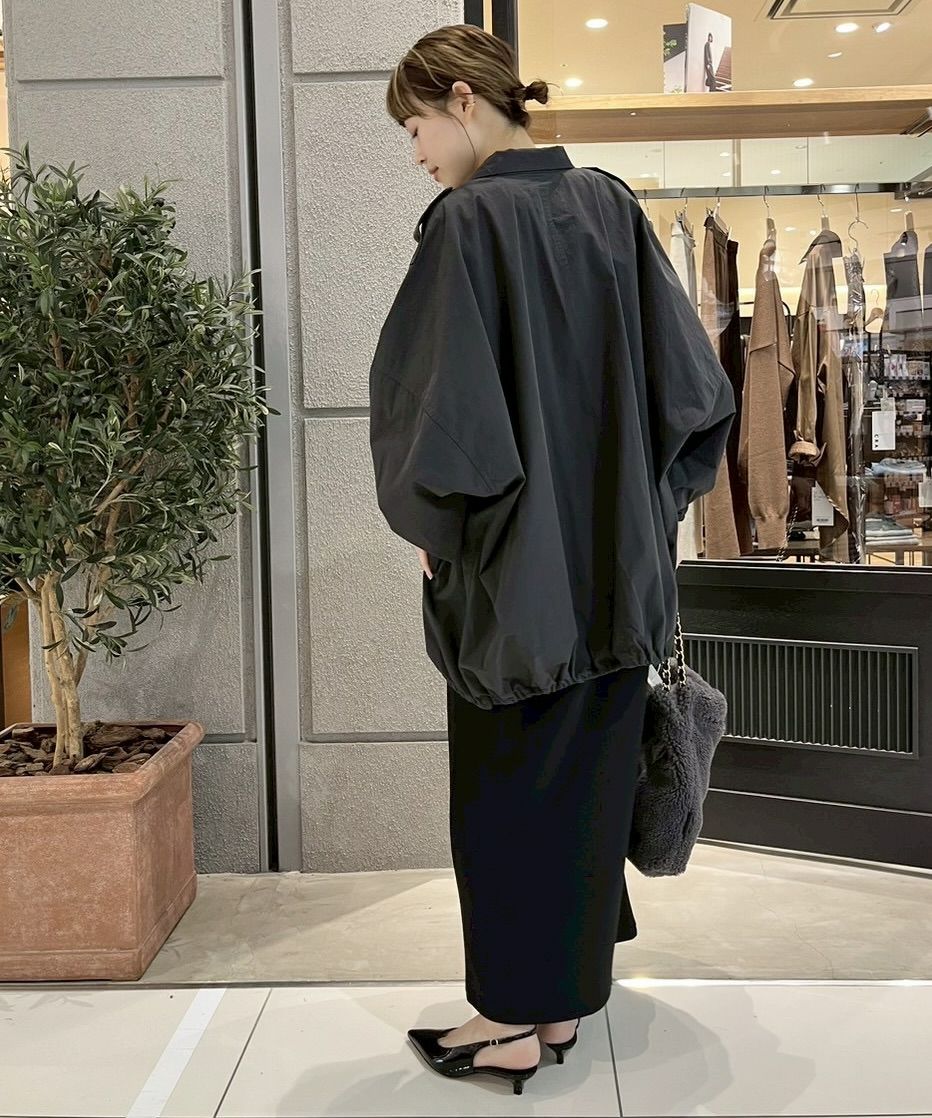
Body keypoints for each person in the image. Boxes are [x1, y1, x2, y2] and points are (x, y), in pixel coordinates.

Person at [369, 24, 734, 1097]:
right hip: (618, 581)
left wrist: (441, 535)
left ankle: (509, 1022)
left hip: (514, 589)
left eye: (415, 125)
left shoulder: (466, 225)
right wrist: (638, 512)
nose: (416, 152)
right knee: (582, 789)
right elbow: (693, 396)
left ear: (461, 99)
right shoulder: (610, 206)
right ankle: (561, 1006)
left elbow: (436, 417)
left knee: (506, 795)